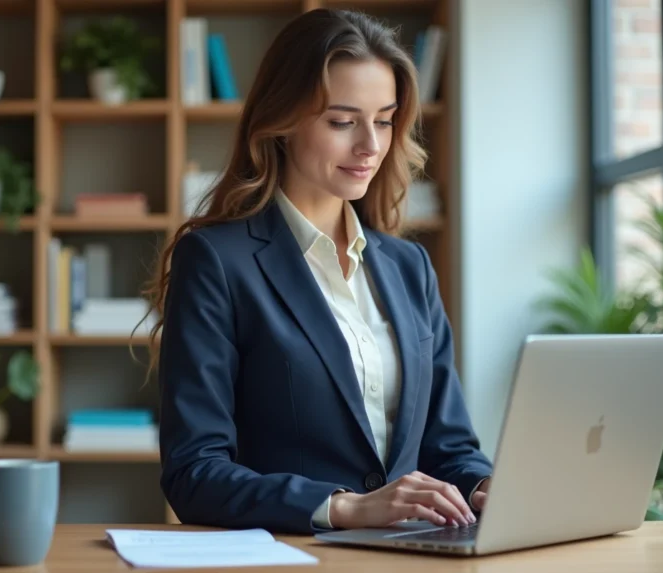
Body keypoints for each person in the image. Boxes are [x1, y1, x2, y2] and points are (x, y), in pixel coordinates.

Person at [143, 8, 493, 535]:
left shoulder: (408, 266)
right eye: (342, 121)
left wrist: (483, 487)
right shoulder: (216, 261)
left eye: (383, 119)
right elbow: (194, 474)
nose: (371, 146)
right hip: (291, 557)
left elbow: (450, 449)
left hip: (410, 556)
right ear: (281, 121)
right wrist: (347, 507)